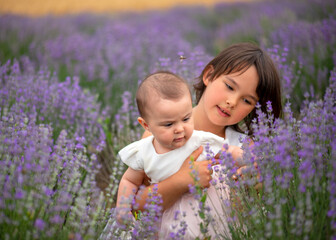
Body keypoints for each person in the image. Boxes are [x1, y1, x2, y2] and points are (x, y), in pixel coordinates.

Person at [129, 42, 282, 239]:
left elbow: (241, 219)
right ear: (209, 75)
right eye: (229, 86)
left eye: (247, 100)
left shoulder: (245, 148)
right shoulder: (160, 136)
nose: (232, 102)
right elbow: (135, 207)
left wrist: (251, 189)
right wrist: (182, 180)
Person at [116, 71, 233, 230]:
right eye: (168, 124)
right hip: (163, 218)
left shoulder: (198, 140)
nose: (179, 129)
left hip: (201, 216)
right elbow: (129, 180)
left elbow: (226, 151)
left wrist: (243, 156)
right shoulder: (143, 151)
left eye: (186, 119)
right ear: (146, 125)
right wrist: (122, 208)